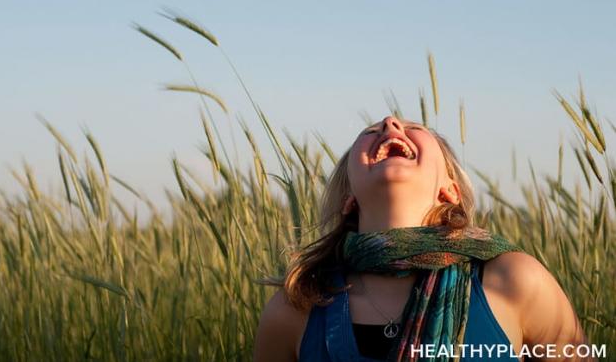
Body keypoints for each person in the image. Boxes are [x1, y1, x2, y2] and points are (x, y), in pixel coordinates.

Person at [253, 116, 590, 361]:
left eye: (415, 129)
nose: (389, 124)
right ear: (349, 199)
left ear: (451, 191)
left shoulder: (515, 280)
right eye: (371, 132)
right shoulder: (296, 306)